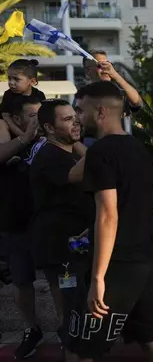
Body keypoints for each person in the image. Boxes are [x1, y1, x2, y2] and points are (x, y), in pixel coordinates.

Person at [65, 81, 153, 362]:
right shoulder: (139, 149)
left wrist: (98, 278)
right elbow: (152, 207)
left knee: (80, 350)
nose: (78, 117)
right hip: (143, 258)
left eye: (81, 110)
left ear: (100, 112)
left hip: (116, 265)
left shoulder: (102, 152)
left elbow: (108, 214)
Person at [30, 100, 92, 355]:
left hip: (78, 245)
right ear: (49, 127)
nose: (75, 121)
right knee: (70, 316)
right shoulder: (48, 156)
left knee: (79, 314)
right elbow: (77, 175)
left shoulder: (67, 152)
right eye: (66, 119)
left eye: (75, 116)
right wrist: (107, 146)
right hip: (62, 250)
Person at [0, 96, 43, 359]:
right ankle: (32, 329)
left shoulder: (56, 134)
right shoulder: (7, 134)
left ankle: (65, 329)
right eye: (33, 116)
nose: (39, 121)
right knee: (21, 279)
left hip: (51, 222)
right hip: (15, 220)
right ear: (16, 118)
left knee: (61, 279)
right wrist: (24, 138)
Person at [1, 59, 46, 143]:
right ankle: (5, 150)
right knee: (1, 123)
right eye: (9, 78)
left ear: (32, 81)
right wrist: (25, 137)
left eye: (16, 79)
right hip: (14, 131)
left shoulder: (39, 95)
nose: (11, 82)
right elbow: (7, 118)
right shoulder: (9, 95)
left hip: (35, 131)